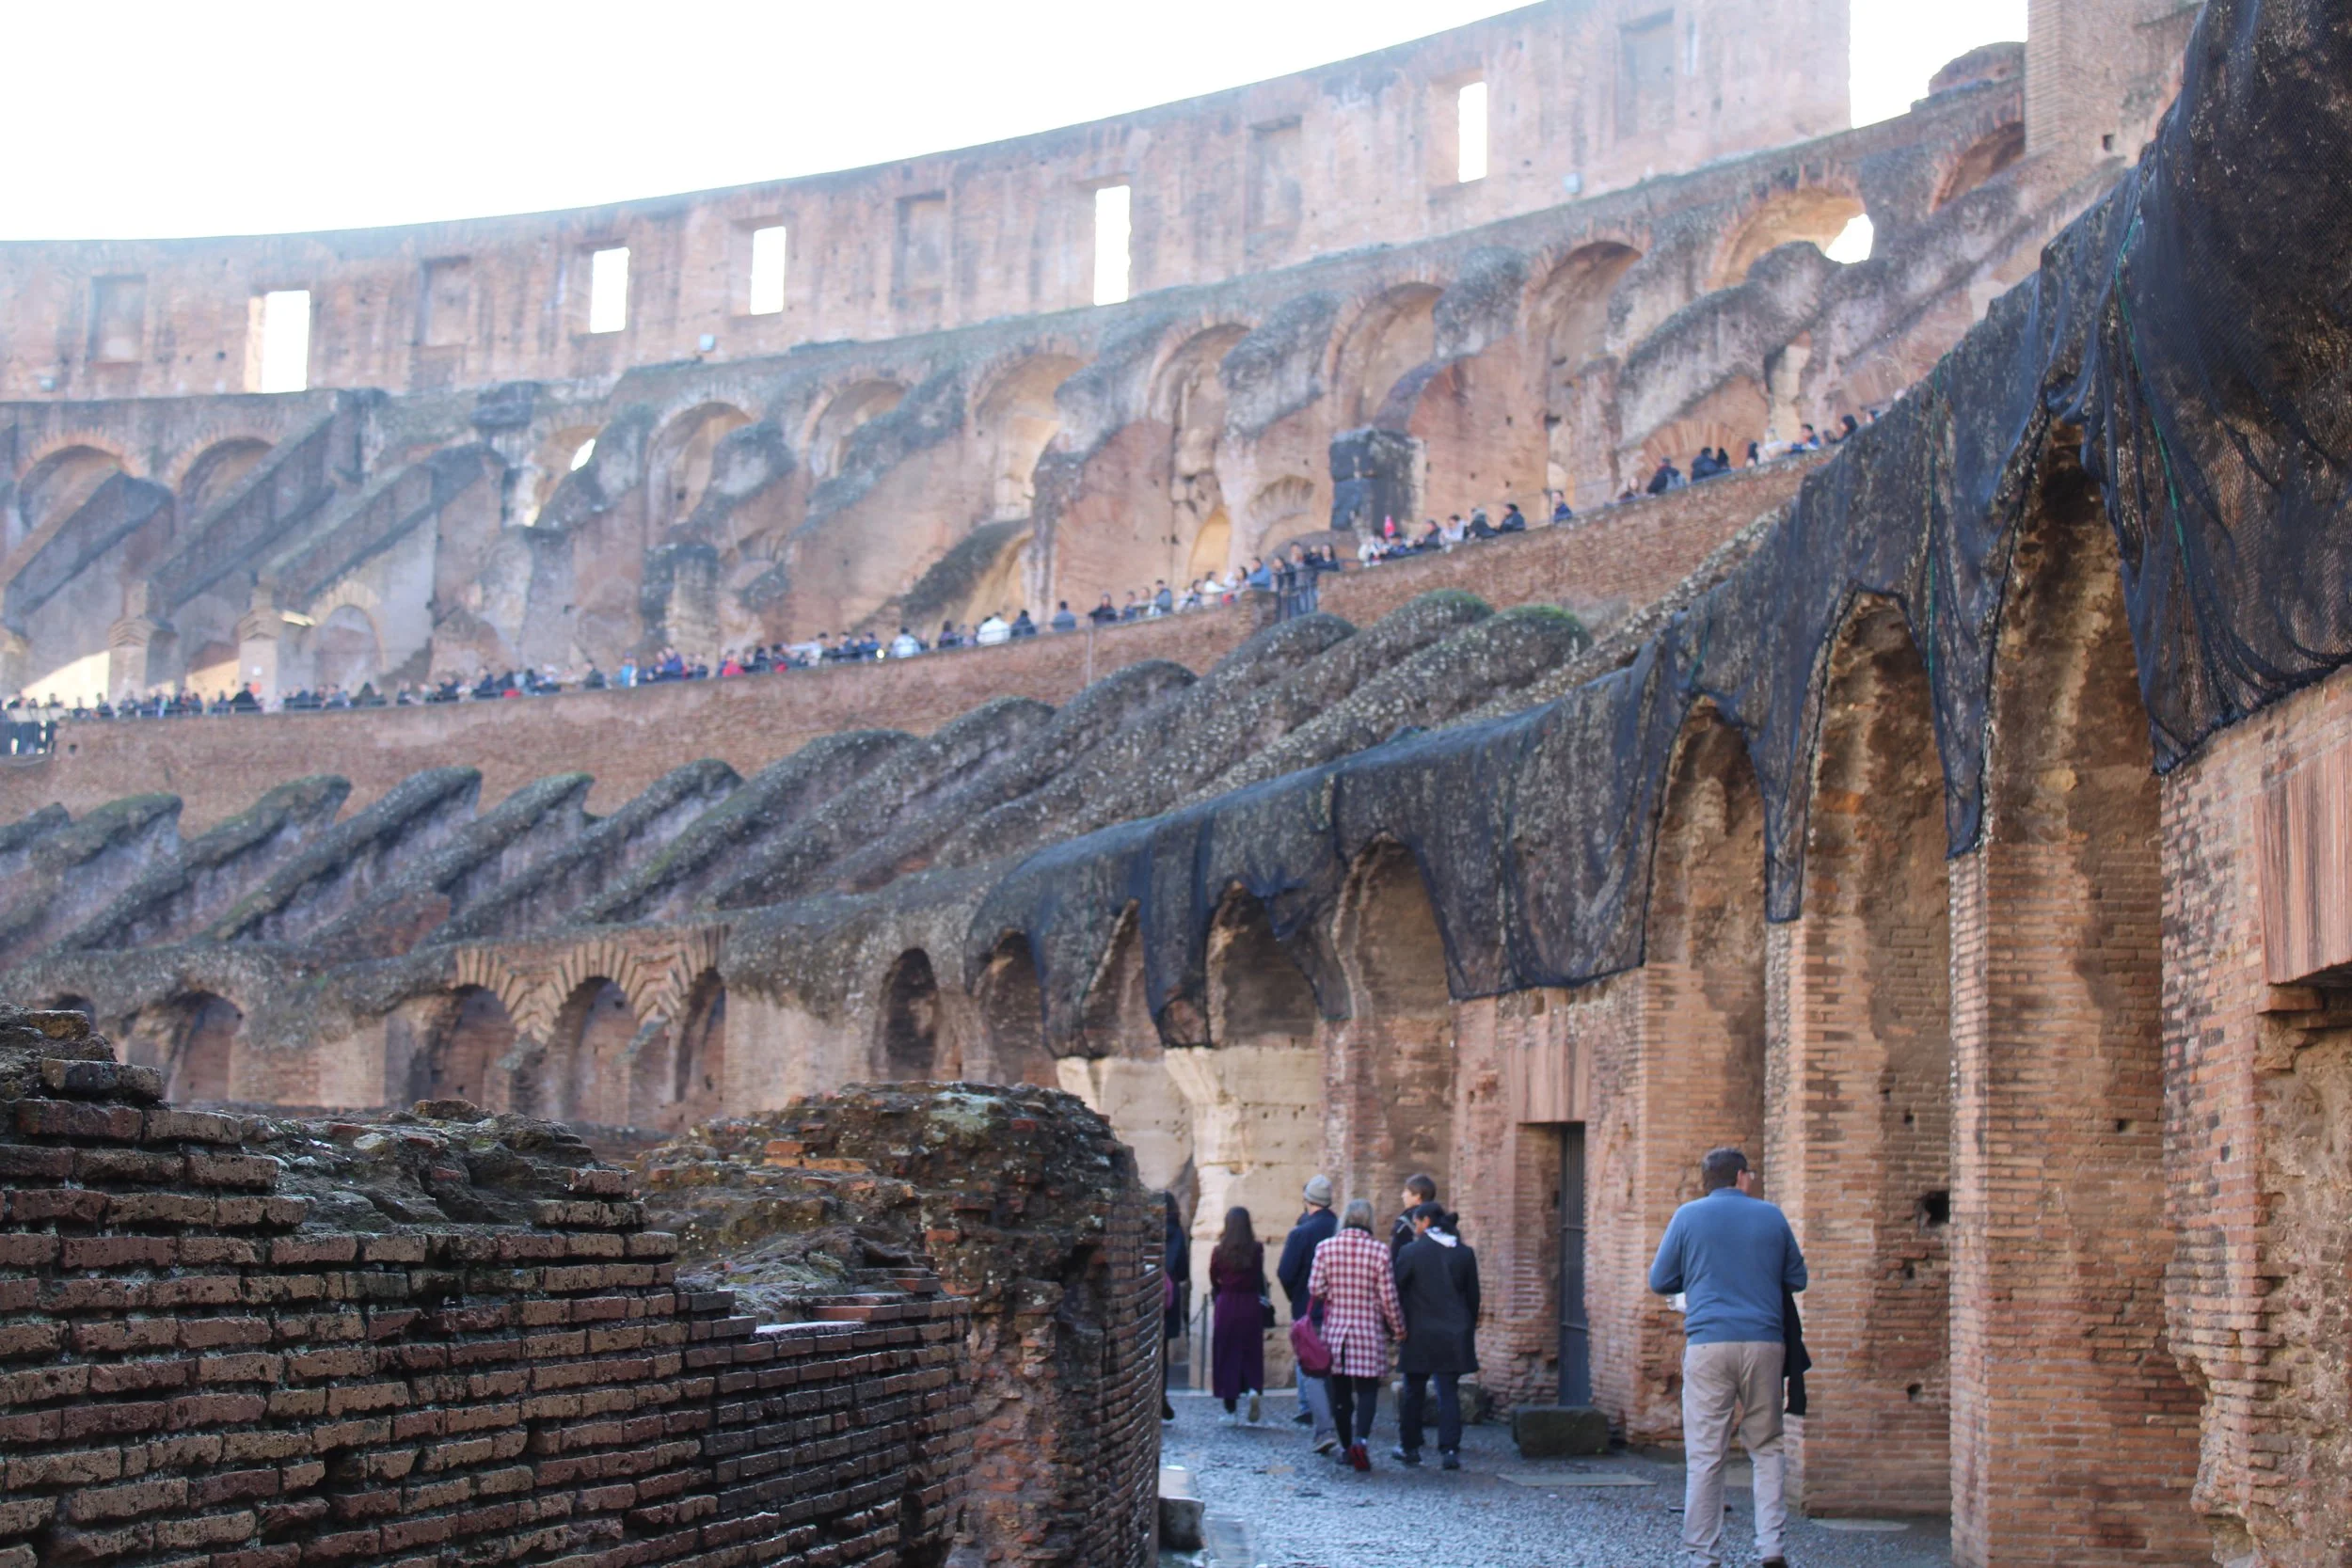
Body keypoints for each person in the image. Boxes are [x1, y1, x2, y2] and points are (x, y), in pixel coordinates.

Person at [1649, 1148, 1806, 1568]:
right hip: (1764, 1343)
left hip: (1708, 1343)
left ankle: (1704, 1554)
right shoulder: (1771, 1216)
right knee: (1768, 1446)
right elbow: (1798, 1277)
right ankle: (1771, 1547)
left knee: (1705, 1454)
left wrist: (1701, 1276)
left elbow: (1659, 1279)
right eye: (1749, 1174)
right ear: (1740, 1176)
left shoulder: (1687, 1216)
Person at [1308, 1198, 1404, 1471]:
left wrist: (1334, 1294)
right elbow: (1388, 1298)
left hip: (1336, 1331)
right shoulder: (1380, 1252)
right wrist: (1399, 1328)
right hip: (1367, 1330)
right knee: (1367, 1390)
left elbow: (1314, 1288)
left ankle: (1347, 1446)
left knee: (1339, 1393)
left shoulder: (1325, 1248)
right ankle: (1361, 1440)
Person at [1392, 1200, 1479, 1470]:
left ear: (1426, 1221)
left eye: (1416, 1223)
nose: (1415, 1228)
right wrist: (1467, 1326)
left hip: (1417, 1332)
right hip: (1453, 1333)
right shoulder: (1464, 1254)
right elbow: (1473, 1297)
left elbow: (1397, 1290)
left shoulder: (1410, 1252)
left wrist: (1397, 1327)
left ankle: (1410, 1448)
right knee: (1448, 1393)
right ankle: (1450, 1449)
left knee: (1413, 1392)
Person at [1278, 1176, 1341, 1453]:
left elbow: (1285, 1272)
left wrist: (1297, 1298)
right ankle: (1337, 1418)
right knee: (1337, 1368)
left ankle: (1320, 1422)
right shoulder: (1341, 1228)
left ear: (1308, 1200)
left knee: (1313, 1367)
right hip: (1340, 1309)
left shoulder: (1301, 1233)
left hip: (1309, 1308)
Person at [1208, 1207, 1266, 1425]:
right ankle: (1252, 1387)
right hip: (1250, 1304)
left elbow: (1214, 1277)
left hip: (1227, 1304)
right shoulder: (1256, 1249)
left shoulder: (1219, 1251)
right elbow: (1258, 1276)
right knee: (1250, 1351)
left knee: (1227, 1355)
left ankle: (1230, 1409)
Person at [1162, 1194, 1189, 1421]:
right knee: (1162, 1353)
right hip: (1169, 1298)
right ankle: (1161, 1396)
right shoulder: (1177, 1232)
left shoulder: (1147, 1229)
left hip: (1149, 1291)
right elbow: (1183, 1270)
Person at [1391, 1172, 1438, 1259]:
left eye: (1406, 1191)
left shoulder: (1403, 1225)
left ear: (1417, 1196)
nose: (1402, 1196)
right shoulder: (1443, 1221)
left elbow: (1395, 1258)